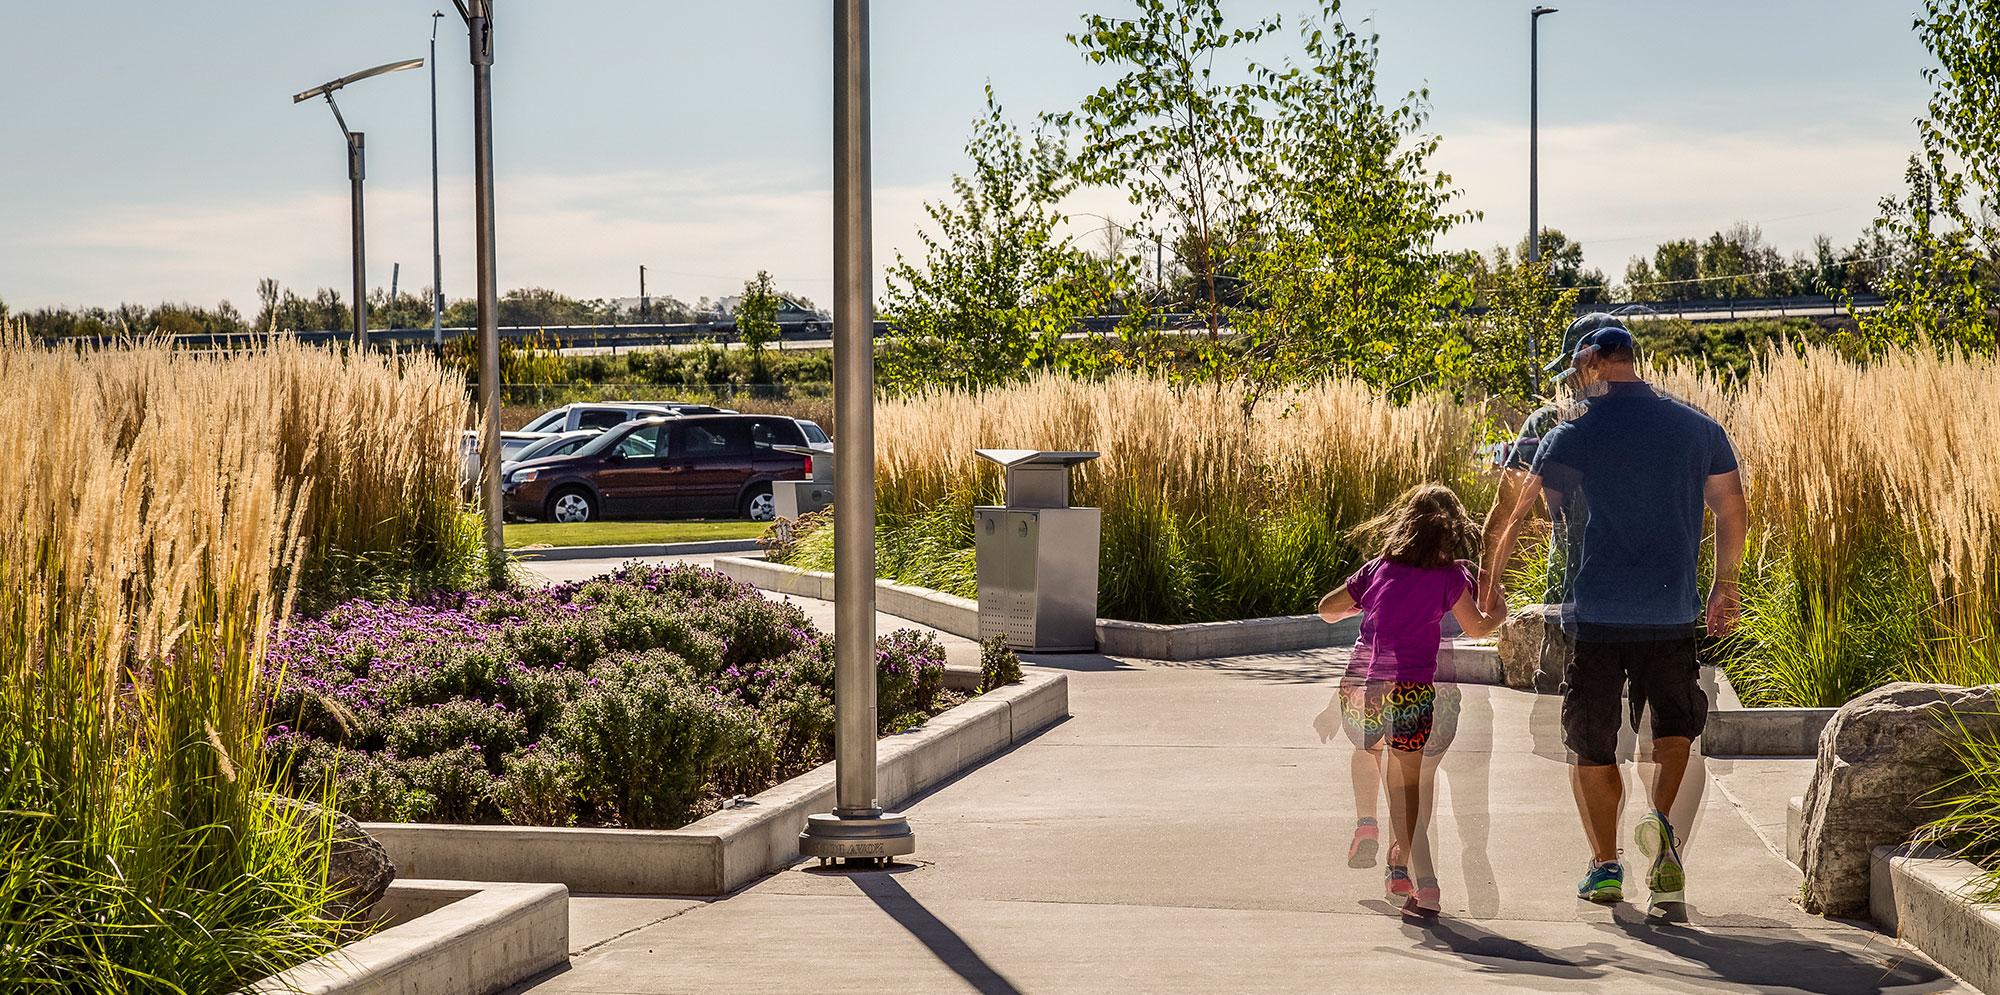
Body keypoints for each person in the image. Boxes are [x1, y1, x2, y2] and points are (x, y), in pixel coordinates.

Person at [1482, 323, 1749, 910]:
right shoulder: (1698, 428)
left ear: (1591, 363)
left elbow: (1513, 513)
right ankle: (1662, 830)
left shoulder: (1573, 434)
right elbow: (1733, 509)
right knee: (1674, 728)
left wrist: (1490, 583)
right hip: (1673, 614)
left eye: (1575, 371)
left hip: (1598, 616)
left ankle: (1605, 865)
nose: (1572, 383)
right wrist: (1723, 588)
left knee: (1592, 742)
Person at [1316, 483, 1504, 917]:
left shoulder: (1377, 569)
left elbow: (1326, 608)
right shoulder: (1452, 577)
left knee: (1371, 753)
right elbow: (1476, 628)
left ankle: (1369, 824)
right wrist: (1501, 612)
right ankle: (1421, 882)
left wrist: (1358, 604)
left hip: (1362, 688)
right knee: (1407, 782)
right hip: (1412, 690)